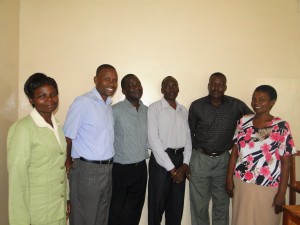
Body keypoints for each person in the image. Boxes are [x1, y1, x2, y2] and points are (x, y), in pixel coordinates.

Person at [226, 85, 296, 225]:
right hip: (241, 183)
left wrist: (281, 193)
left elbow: (286, 162)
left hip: (267, 186)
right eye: (254, 99)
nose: (256, 103)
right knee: (241, 220)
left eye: (262, 99)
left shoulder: (281, 126)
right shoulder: (243, 121)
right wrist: (228, 178)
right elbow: (234, 152)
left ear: (272, 102)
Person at [188, 72, 253, 225]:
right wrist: (188, 161)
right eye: (213, 84)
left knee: (221, 205)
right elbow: (188, 133)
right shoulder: (197, 105)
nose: (216, 87)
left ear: (225, 87)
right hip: (200, 159)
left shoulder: (236, 105)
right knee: (199, 206)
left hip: (224, 160)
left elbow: (253, 121)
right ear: (208, 85)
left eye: (220, 84)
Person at [7, 73, 69, 225]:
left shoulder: (58, 125)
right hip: (37, 214)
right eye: (42, 96)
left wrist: (66, 199)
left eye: (53, 94)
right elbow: (17, 181)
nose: (50, 99)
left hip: (58, 210)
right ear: (31, 100)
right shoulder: (23, 129)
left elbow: (60, 167)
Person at [63, 64, 118, 225]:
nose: (111, 84)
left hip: (107, 170)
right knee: (83, 219)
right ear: (96, 80)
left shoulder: (108, 105)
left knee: (101, 218)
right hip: (87, 171)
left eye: (114, 80)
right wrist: (68, 160)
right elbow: (67, 135)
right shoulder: (83, 102)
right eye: (107, 79)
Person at [148, 76, 192, 225]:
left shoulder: (183, 110)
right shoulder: (154, 109)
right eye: (167, 86)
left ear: (178, 89)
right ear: (162, 90)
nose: (171, 89)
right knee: (157, 207)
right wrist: (171, 168)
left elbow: (188, 139)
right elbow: (154, 140)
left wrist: (185, 165)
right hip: (161, 163)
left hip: (180, 162)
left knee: (176, 208)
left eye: (174, 86)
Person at [108, 74, 149, 225]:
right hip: (120, 170)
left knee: (134, 212)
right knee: (116, 213)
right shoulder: (114, 111)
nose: (136, 87)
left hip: (141, 169)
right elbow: (107, 139)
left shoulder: (147, 111)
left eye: (138, 83)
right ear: (124, 90)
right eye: (131, 85)